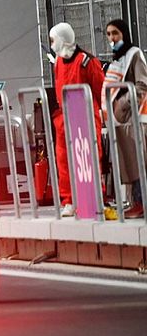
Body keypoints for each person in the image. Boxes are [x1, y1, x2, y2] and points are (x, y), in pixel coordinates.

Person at [49, 22, 105, 217]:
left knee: (87, 158)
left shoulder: (87, 61)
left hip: (84, 113)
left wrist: (103, 115)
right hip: (64, 115)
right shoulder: (57, 62)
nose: (51, 44)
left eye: (53, 40)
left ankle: (92, 198)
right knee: (63, 161)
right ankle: (69, 200)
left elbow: (100, 90)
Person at [102, 19, 146, 217]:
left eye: (115, 33)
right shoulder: (117, 59)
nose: (112, 38)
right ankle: (135, 201)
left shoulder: (134, 54)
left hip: (135, 118)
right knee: (129, 163)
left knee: (138, 162)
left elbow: (142, 85)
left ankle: (140, 202)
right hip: (120, 120)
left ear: (124, 34)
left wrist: (123, 104)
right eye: (109, 34)